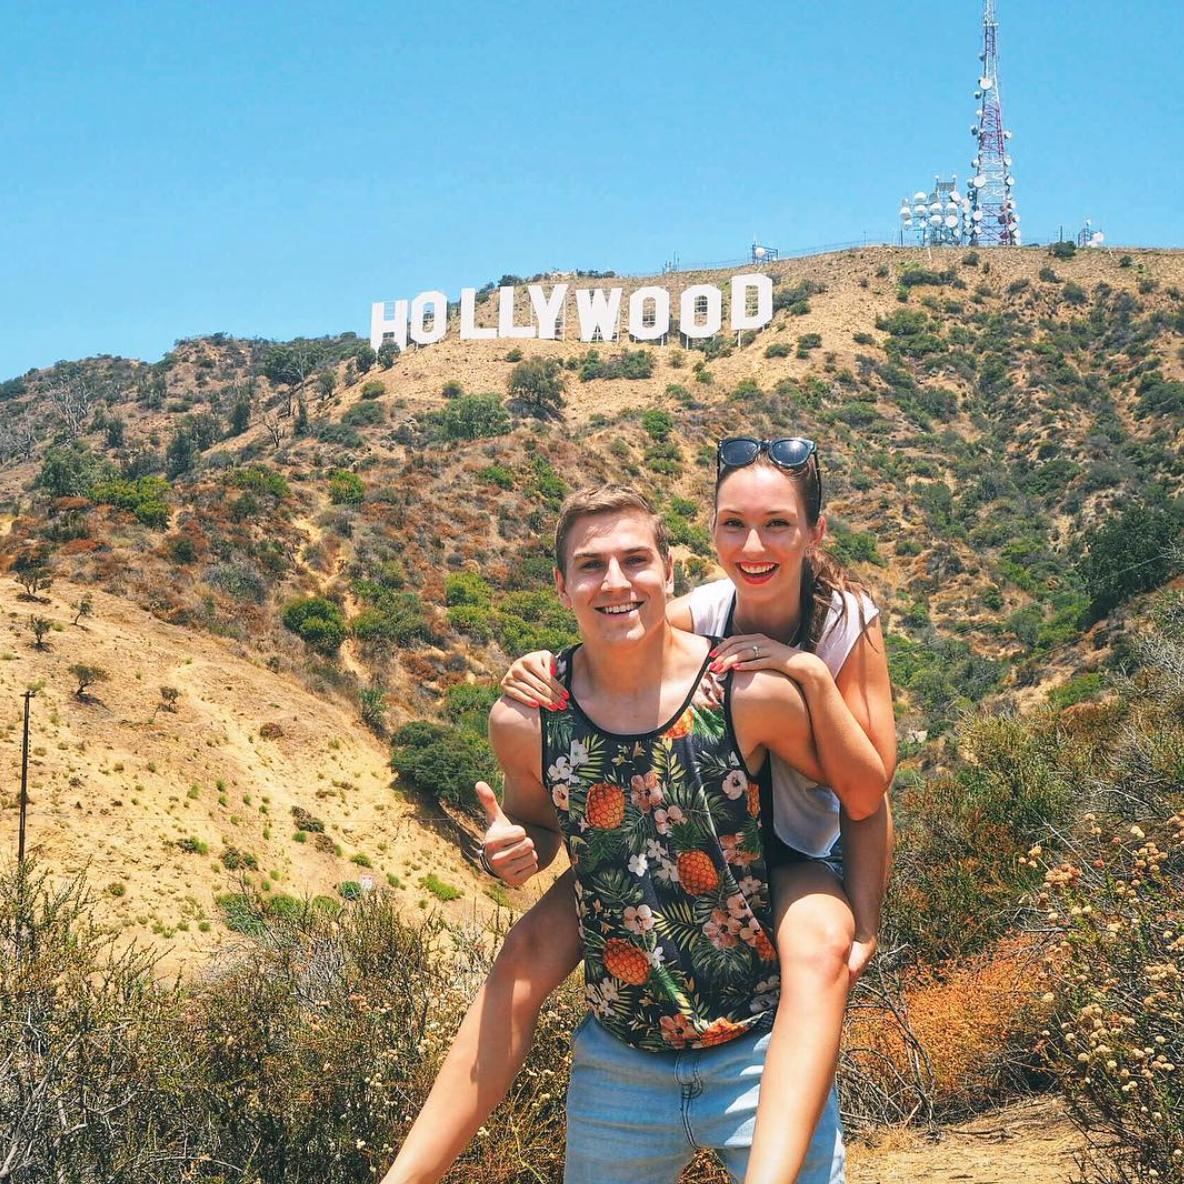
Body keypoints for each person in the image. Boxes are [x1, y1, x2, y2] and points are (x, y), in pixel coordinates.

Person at [383, 447, 894, 1184]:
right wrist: (518, 846)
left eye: (634, 561)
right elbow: (540, 826)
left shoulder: (757, 686)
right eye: (591, 566)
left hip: (775, 919)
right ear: (560, 584)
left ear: (668, 570)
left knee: (819, 943)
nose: (616, 582)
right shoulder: (529, 718)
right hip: (622, 1049)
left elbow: (865, 792)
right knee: (524, 952)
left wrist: (865, 915)